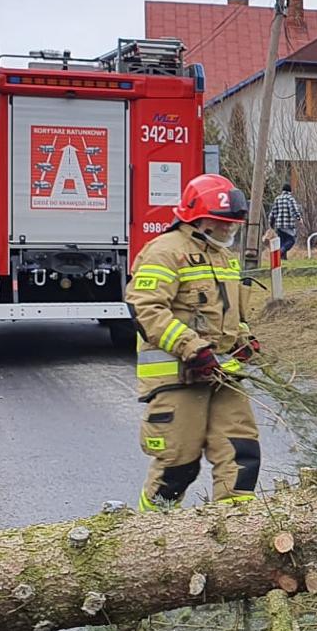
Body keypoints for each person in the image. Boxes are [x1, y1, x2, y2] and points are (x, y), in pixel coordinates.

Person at [126, 173, 263, 511]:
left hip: (221, 376)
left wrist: (243, 339)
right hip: (178, 378)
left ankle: (235, 535)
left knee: (242, 455)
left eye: (232, 224)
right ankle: (149, 535)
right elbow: (145, 307)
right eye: (221, 224)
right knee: (178, 467)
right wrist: (191, 347)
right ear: (198, 219)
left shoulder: (221, 256)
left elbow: (227, 315)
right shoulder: (165, 252)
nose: (228, 231)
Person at [268, 183, 300, 257]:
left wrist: (271, 224)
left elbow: (273, 213)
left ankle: (282, 259)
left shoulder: (277, 199)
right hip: (288, 225)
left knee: (282, 242)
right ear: (290, 191)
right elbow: (294, 210)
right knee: (291, 240)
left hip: (279, 225)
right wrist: (299, 218)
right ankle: (280, 252)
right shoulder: (290, 199)